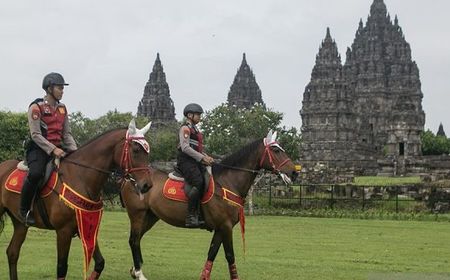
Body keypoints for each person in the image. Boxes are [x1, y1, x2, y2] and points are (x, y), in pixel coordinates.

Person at [19, 72, 78, 226]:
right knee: (36, 173)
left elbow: (67, 134)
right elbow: (36, 135)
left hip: (59, 148)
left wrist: (76, 152)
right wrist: (53, 150)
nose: (62, 91)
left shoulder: (63, 109)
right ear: (50, 88)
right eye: (60, 88)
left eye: (62, 88)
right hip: (39, 150)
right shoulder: (36, 107)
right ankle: (24, 210)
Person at [177, 103, 214, 228]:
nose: (199, 117)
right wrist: (202, 158)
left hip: (195, 161)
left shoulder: (196, 130)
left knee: (208, 179)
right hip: (185, 161)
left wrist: (206, 156)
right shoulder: (185, 129)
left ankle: (202, 213)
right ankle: (191, 216)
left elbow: (197, 149)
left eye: (199, 115)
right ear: (189, 115)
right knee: (198, 182)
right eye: (197, 115)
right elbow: (185, 147)